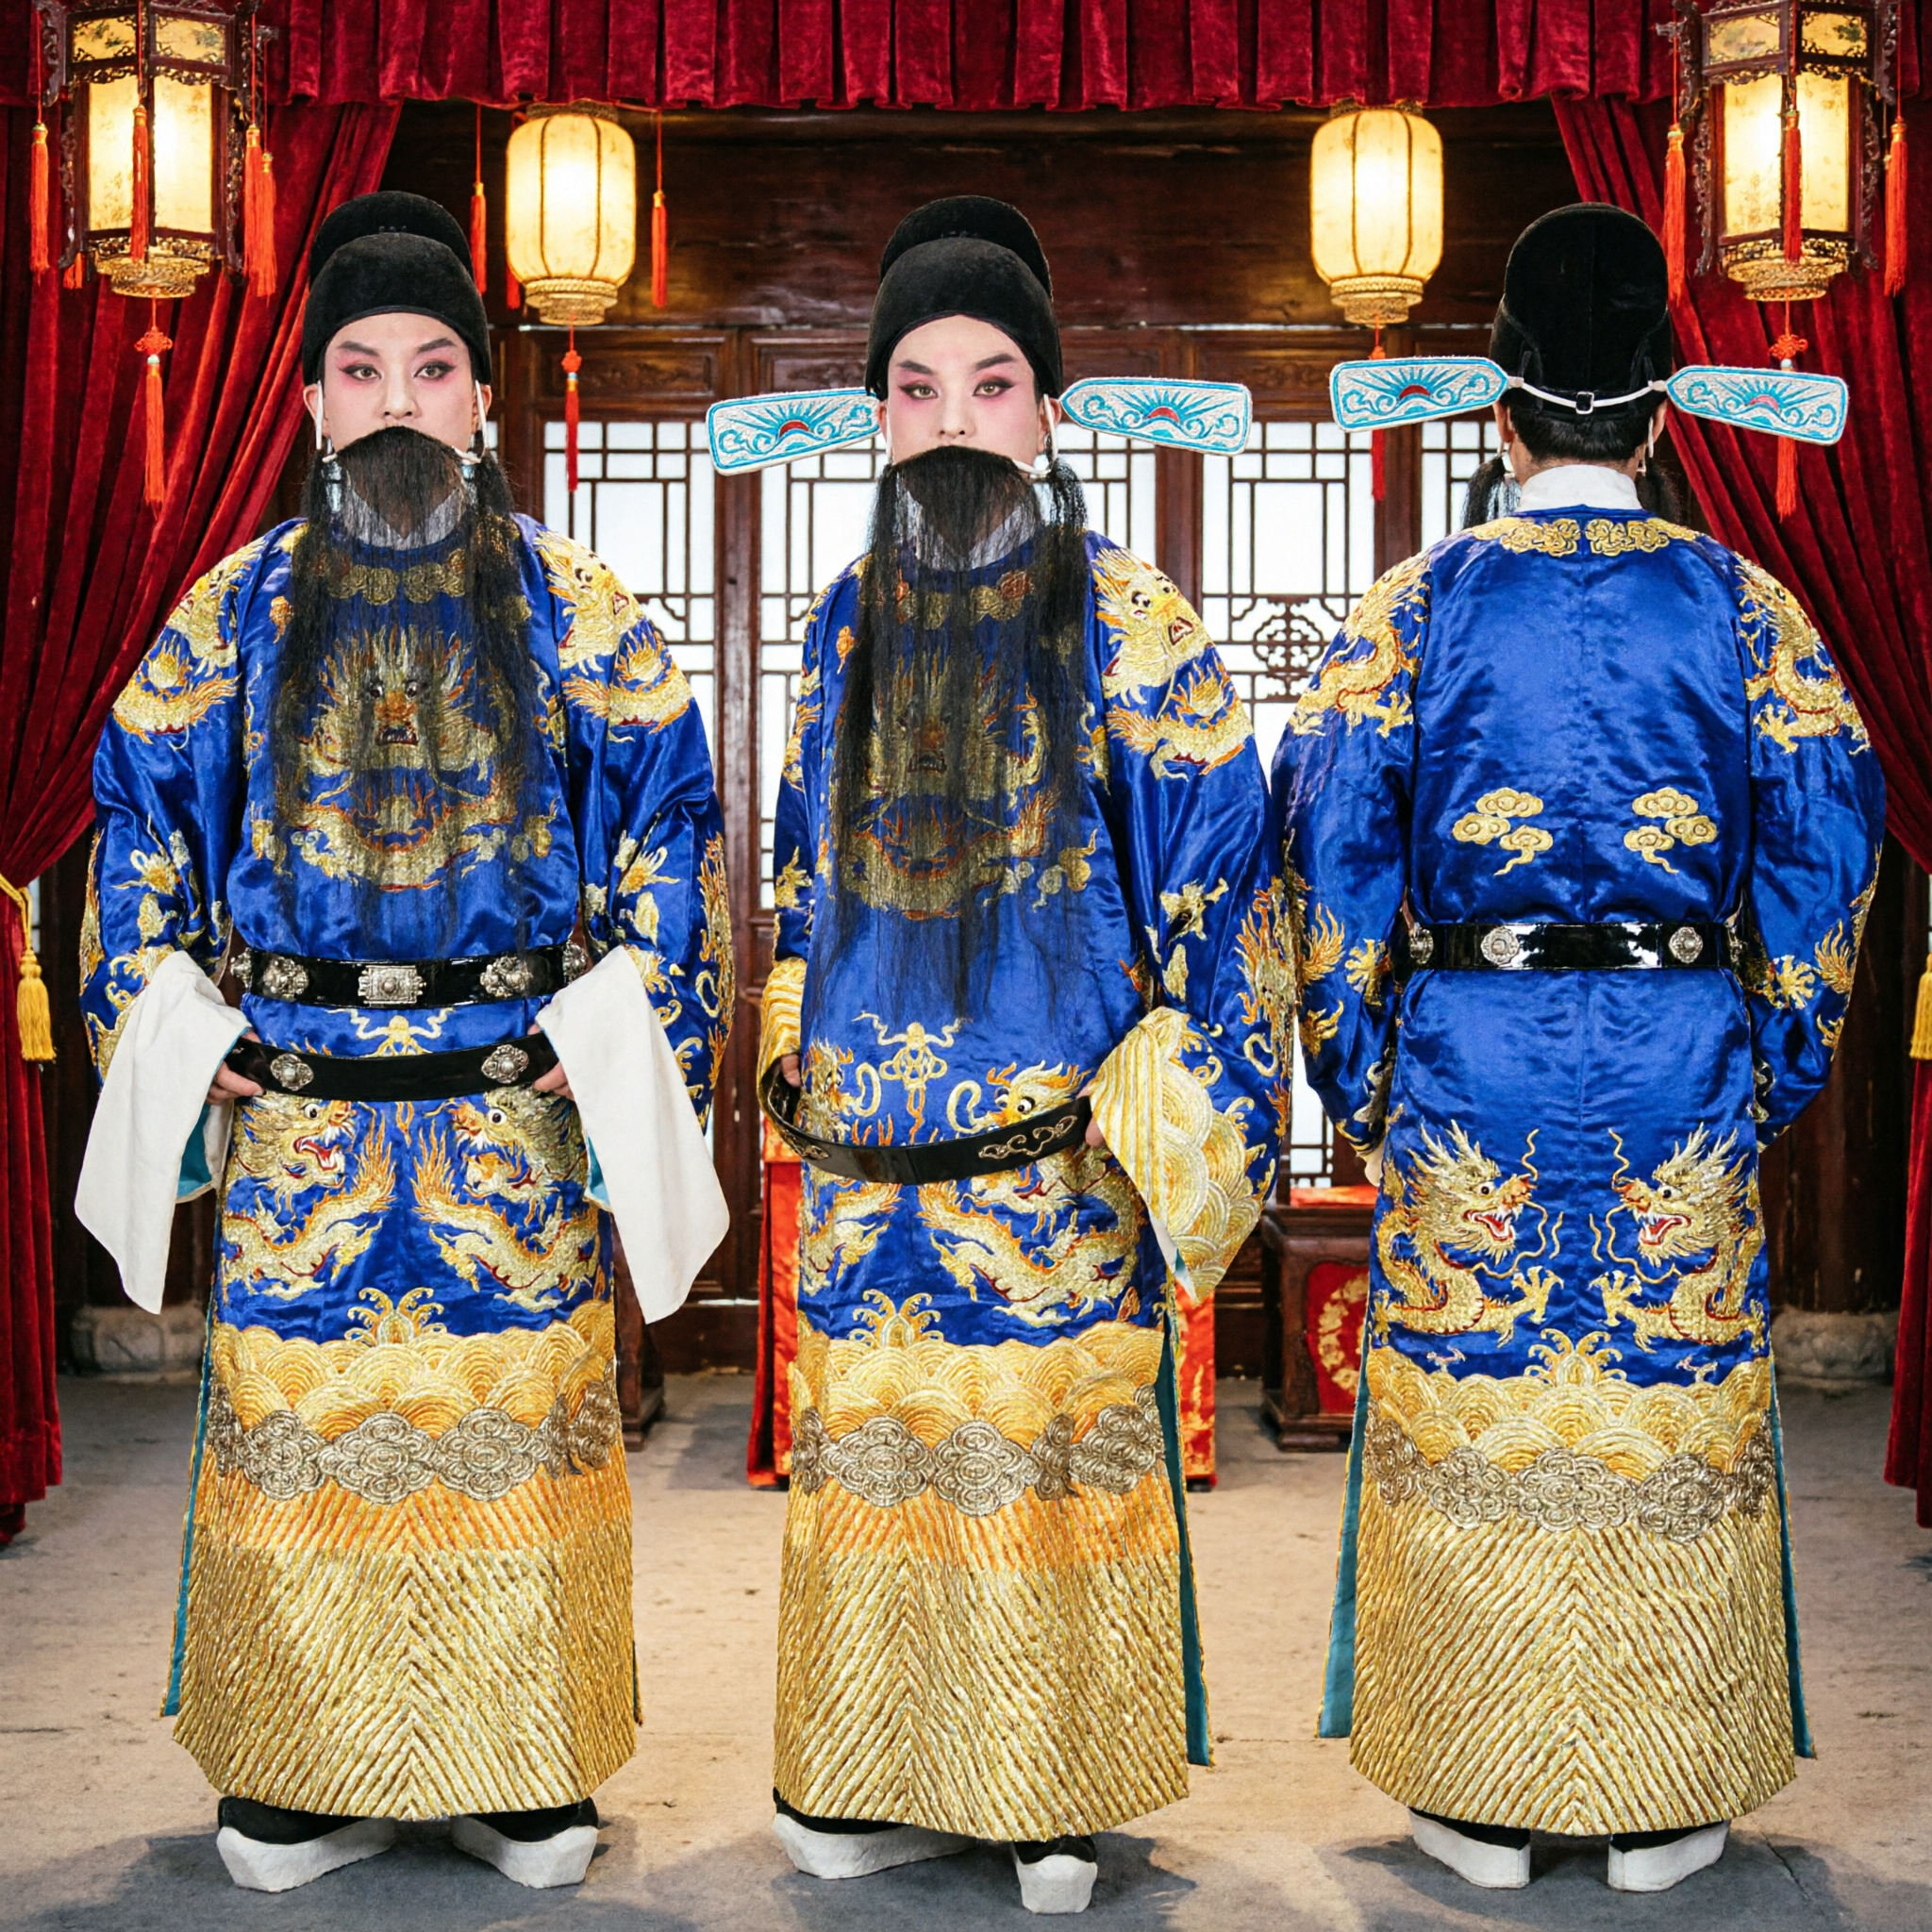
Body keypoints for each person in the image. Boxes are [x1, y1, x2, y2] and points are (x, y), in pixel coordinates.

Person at [78, 192, 730, 1892]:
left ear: (483, 403)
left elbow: (675, 836)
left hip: (510, 1114)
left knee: (506, 1453)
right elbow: (135, 826)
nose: (392, 401)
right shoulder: (233, 614)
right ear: (306, 406)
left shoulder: (581, 612)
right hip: (299, 1121)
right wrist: (159, 1006)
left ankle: (524, 1772)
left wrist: (625, 1030)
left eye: (432, 369)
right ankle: (297, 1772)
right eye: (356, 369)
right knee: (312, 1454)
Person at [1276, 205, 1884, 1894]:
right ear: (1664, 418)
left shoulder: (1416, 607)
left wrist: (1365, 1067)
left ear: (1500, 411)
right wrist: (1768, 1053)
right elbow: (1832, 840)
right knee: (1662, 1397)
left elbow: (1326, 850)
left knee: (1487, 1398)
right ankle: (1669, 1800)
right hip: (1682, 1046)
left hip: (1474, 1048)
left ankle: (1475, 1797)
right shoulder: (1747, 606)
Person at [756, 197, 1290, 1914]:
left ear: (1050, 412)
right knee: (876, 1483)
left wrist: (1181, 1139)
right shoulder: (843, 619)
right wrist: (786, 1046)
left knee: (1041, 1495)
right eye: (917, 389)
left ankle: (1050, 1794)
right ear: (880, 417)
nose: (955, 419)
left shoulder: (1138, 627)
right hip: (861, 1186)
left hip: (1055, 1182)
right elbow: (794, 873)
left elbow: (1228, 908)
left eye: (993, 385)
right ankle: (862, 1770)